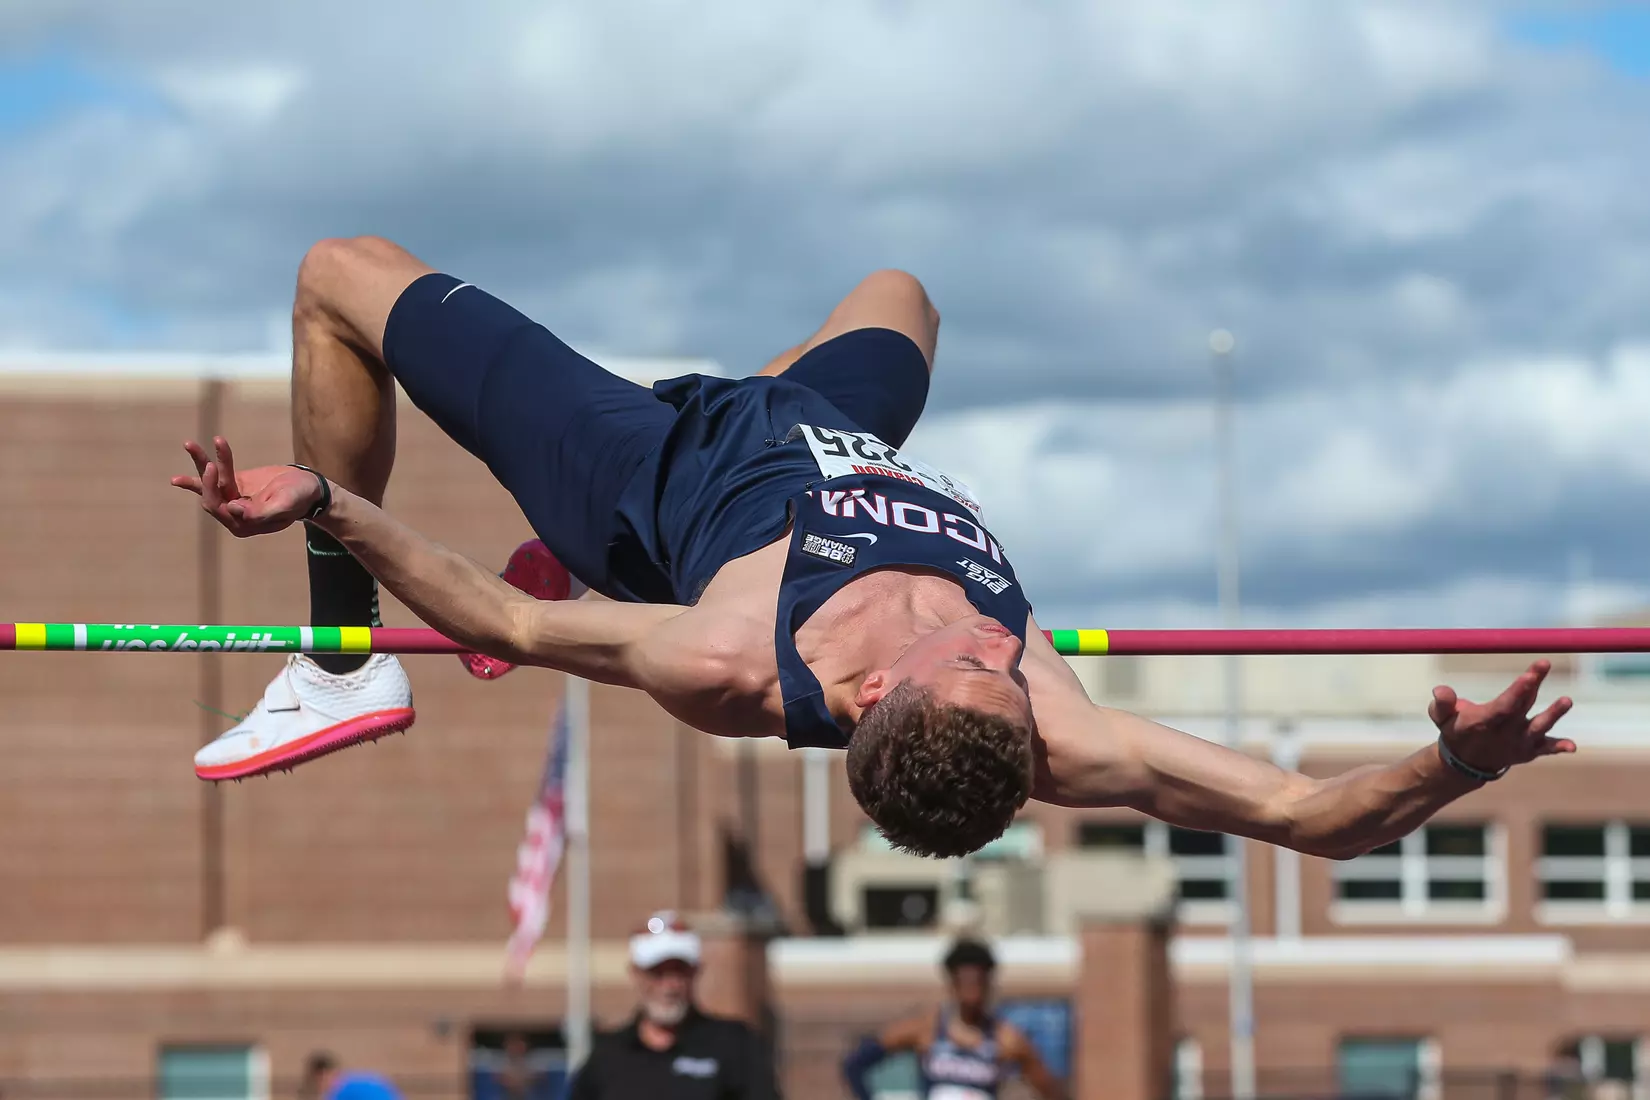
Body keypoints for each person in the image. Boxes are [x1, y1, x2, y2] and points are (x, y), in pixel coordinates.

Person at [172, 236, 1577, 859]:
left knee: (335, 275)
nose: (998, 635)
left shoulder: (728, 653)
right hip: (819, 425)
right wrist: (1455, 760)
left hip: (647, 469)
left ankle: (335, 658)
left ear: (869, 698)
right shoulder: (1040, 727)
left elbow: (510, 630)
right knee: (903, 289)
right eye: (1003, 670)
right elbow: (1298, 816)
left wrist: (328, 514)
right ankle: (614, 518)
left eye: (968, 660)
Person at [564, 911, 781, 1099]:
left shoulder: (734, 1046)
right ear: (636, 974)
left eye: (679, 971)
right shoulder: (608, 1057)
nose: (669, 986)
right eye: (657, 972)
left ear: (695, 972)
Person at [842, 938, 1064, 1100]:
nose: (972, 994)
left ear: (988, 984)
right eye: (965, 984)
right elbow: (856, 1064)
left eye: (978, 984)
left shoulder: (1006, 1039)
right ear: (952, 984)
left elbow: (1050, 1089)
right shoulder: (925, 1028)